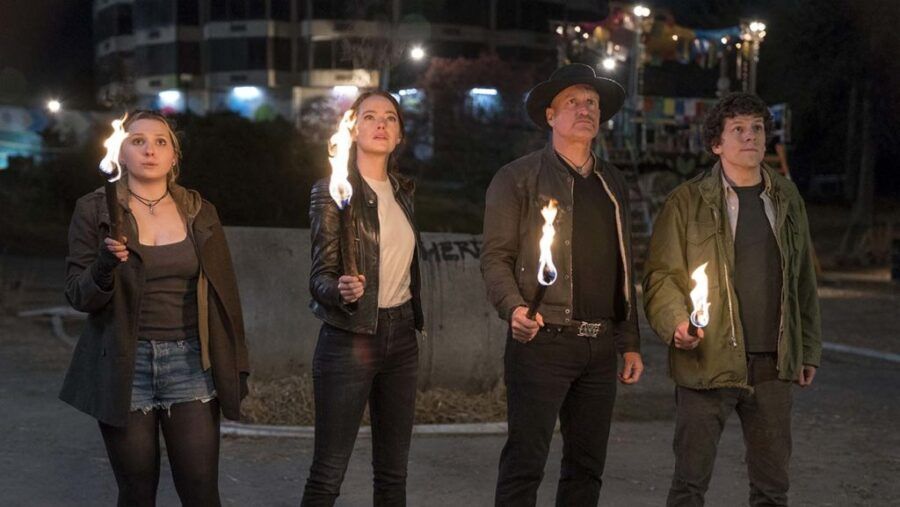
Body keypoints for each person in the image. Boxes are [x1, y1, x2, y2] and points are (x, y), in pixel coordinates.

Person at [60, 110, 250, 506]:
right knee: (136, 491)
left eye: (161, 142)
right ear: (120, 154)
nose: (150, 150)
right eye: (138, 141)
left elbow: (226, 296)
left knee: (201, 491)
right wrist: (103, 266)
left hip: (190, 363)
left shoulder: (199, 211)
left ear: (174, 156)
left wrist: (236, 362)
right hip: (124, 364)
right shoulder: (95, 210)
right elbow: (79, 296)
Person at [642, 92, 822, 506]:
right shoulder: (686, 201)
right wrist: (676, 324)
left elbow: (803, 281)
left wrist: (807, 348)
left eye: (757, 128)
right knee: (689, 485)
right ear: (716, 144)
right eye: (737, 129)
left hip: (773, 365)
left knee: (772, 488)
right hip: (707, 361)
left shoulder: (787, 198)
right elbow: (661, 276)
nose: (750, 136)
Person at [481, 63, 644, 506]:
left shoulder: (612, 182)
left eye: (591, 102)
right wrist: (515, 308)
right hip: (542, 341)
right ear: (550, 116)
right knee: (525, 463)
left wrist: (629, 341)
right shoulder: (518, 178)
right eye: (572, 101)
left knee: (586, 468)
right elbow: (495, 257)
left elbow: (622, 266)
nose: (585, 108)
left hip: (599, 345)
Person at [301, 91, 424, 507]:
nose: (381, 124)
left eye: (390, 117)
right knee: (328, 474)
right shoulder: (331, 191)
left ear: (400, 134)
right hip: (349, 338)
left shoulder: (403, 192)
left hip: (402, 337)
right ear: (353, 129)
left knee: (393, 474)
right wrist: (340, 290)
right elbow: (319, 277)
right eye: (369, 116)